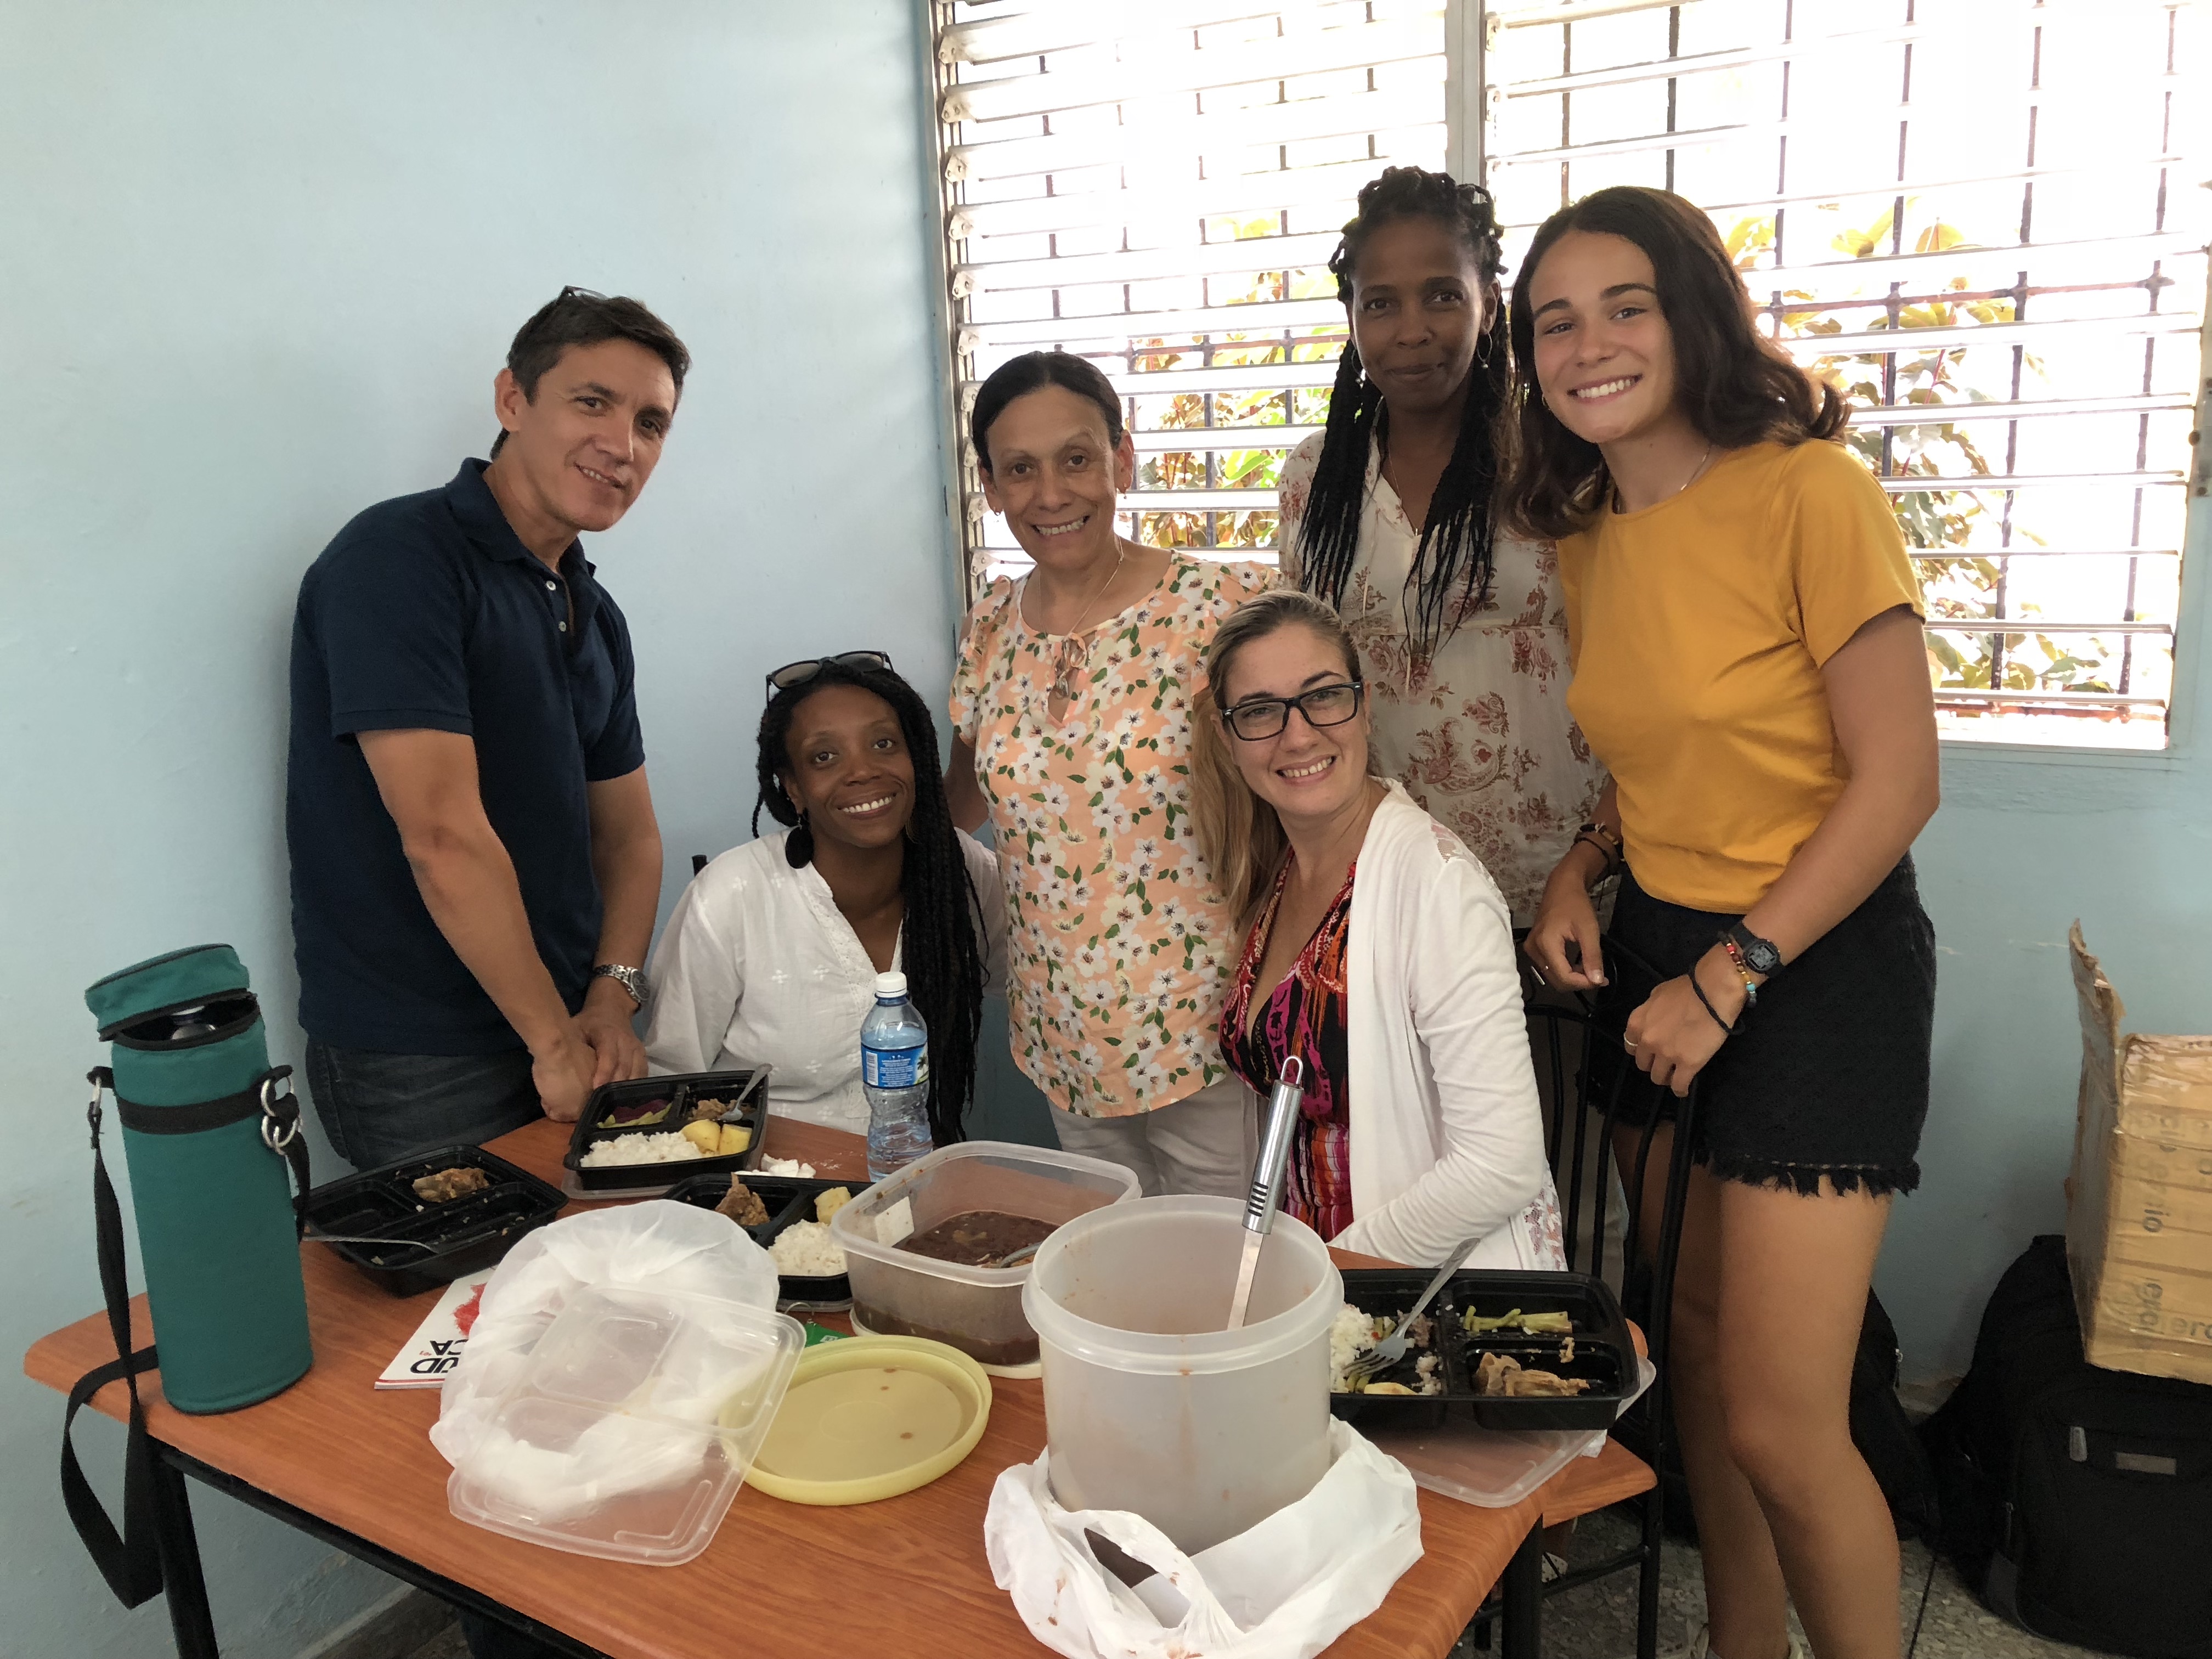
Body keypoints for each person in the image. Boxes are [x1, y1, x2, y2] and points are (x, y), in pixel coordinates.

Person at [1511, 187, 1939, 1659]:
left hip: (1809, 969)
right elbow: (1662, 757)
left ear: (1697, 314)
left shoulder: (1815, 493)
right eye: (1554, 321)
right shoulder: (1593, 537)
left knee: (1780, 1419)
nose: (1590, 345)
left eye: (1625, 304)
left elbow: (1897, 782)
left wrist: (1736, 969)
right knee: (1684, 1341)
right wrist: (1581, 861)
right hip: (1659, 957)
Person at [288, 287, 687, 1172]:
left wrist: (610, 998)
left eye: (651, 422)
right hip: (422, 1056)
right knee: (471, 1313)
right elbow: (442, 836)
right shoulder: (397, 560)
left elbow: (630, 839)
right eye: (592, 401)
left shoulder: (591, 608)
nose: (621, 445)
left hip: (566, 1037)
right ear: (513, 399)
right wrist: (553, 1038)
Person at [945, 351, 1276, 1197]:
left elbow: (1309, 797)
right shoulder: (989, 626)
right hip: (1064, 1039)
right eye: (1020, 469)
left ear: (1122, 460)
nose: (1051, 494)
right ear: (991, 485)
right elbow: (961, 801)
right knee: (1110, 1276)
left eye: (1077, 459)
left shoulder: (1222, 608)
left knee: (1225, 1284)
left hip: (1210, 1036)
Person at [1189, 590, 1564, 1269]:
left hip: (1414, 1302)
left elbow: (1501, 1165)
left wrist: (1328, 1276)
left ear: (1364, 704)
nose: (1298, 735)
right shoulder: (1282, 873)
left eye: (1323, 696)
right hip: (1310, 1279)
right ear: (1228, 737)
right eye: (1261, 712)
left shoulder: (1438, 886)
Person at [1279, 166, 1605, 923]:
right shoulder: (1313, 478)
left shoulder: (1564, 460)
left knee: (1555, 1047)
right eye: (1381, 303)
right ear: (1353, 318)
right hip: (1388, 872)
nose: (1412, 328)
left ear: (1489, 306)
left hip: (1560, 871)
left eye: (1443, 295)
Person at [644, 652, 1003, 1143]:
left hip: (915, 1176)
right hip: (767, 1187)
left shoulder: (961, 872)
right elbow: (671, 1082)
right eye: (824, 757)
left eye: (883, 743)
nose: (862, 772)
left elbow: (1037, 982)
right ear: (793, 789)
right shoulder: (731, 896)